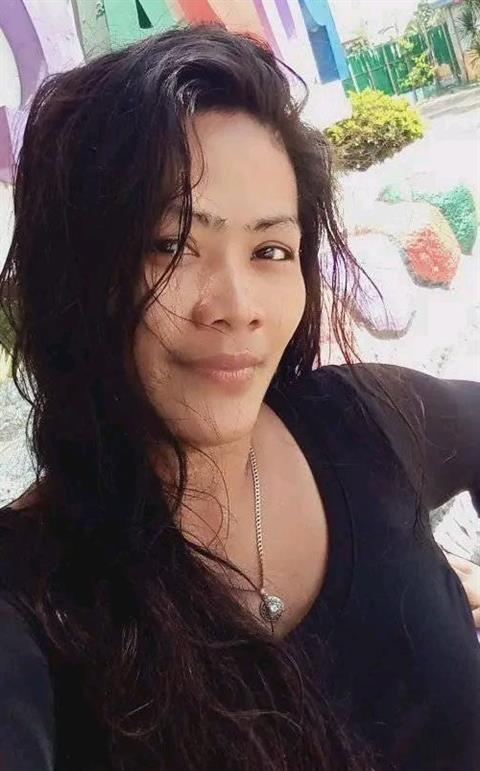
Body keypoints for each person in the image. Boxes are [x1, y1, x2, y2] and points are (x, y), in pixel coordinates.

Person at [0, 22, 478, 771]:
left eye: (270, 250)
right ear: (76, 276)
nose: (237, 306)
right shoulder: (32, 599)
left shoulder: (363, 424)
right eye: (170, 245)